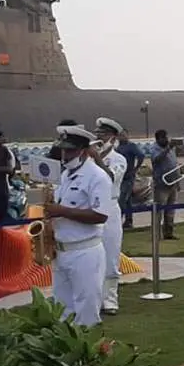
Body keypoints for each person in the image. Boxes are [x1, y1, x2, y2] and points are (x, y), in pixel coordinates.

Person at [43, 124, 112, 327]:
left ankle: (87, 355)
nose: (65, 155)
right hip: (61, 250)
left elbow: (100, 215)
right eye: (63, 150)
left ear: (83, 150)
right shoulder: (65, 175)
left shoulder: (98, 177)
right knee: (62, 308)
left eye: (70, 150)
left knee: (86, 310)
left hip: (85, 251)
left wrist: (62, 211)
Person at [93, 117, 128, 315]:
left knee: (111, 255)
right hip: (92, 208)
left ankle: (111, 299)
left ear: (112, 137)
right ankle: (96, 297)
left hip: (111, 207)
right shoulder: (87, 158)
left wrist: (96, 158)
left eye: (103, 134)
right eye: (98, 133)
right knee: (94, 256)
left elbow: (111, 178)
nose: (99, 137)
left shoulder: (118, 159)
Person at [150, 129, 178, 239]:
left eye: (167, 137)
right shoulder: (154, 148)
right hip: (161, 185)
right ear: (158, 139)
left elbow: (174, 164)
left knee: (170, 211)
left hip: (173, 183)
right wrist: (167, 149)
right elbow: (156, 159)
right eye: (164, 138)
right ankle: (156, 234)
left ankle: (169, 233)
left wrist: (178, 180)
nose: (166, 140)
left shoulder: (171, 149)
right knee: (158, 212)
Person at [115, 130, 144, 229]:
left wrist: (135, 169)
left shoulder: (131, 146)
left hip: (128, 177)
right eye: (120, 135)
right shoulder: (118, 147)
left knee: (122, 199)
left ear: (127, 135)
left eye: (123, 135)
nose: (122, 137)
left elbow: (141, 155)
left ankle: (119, 221)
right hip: (119, 177)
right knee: (127, 201)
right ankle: (129, 221)